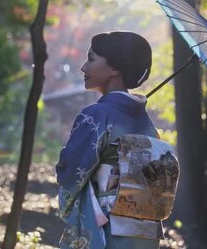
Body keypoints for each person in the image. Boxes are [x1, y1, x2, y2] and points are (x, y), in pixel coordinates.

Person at [56, 31, 164, 249]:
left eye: (91, 59)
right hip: (141, 231)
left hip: (105, 225)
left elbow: (69, 172)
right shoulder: (148, 125)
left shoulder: (97, 115)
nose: (83, 67)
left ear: (115, 69)